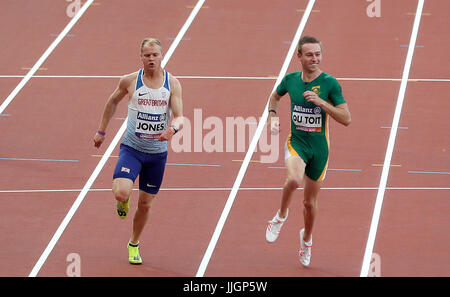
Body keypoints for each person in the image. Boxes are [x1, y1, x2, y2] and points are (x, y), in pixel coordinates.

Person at [93, 38, 183, 264]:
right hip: (132, 149)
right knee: (122, 192)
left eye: (155, 55)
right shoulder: (130, 81)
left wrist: (172, 129)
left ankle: (133, 243)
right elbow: (112, 102)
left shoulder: (173, 84)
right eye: (147, 55)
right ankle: (123, 201)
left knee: (145, 204)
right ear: (141, 57)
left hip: (157, 154)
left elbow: (180, 117)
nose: (151, 59)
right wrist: (102, 131)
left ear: (162, 56)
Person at [265, 36, 351, 266]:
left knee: (309, 203)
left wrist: (322, 103)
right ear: (299, 57)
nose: (315, 58)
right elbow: (275, 97)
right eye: (310, 54)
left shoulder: (330, 84)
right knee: (292, 180)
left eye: (318, 54)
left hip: (320, 150)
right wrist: (272, 117)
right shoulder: (290, 80)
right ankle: (280, 216)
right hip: (298, 143)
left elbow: (347, 119)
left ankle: (306, 239)